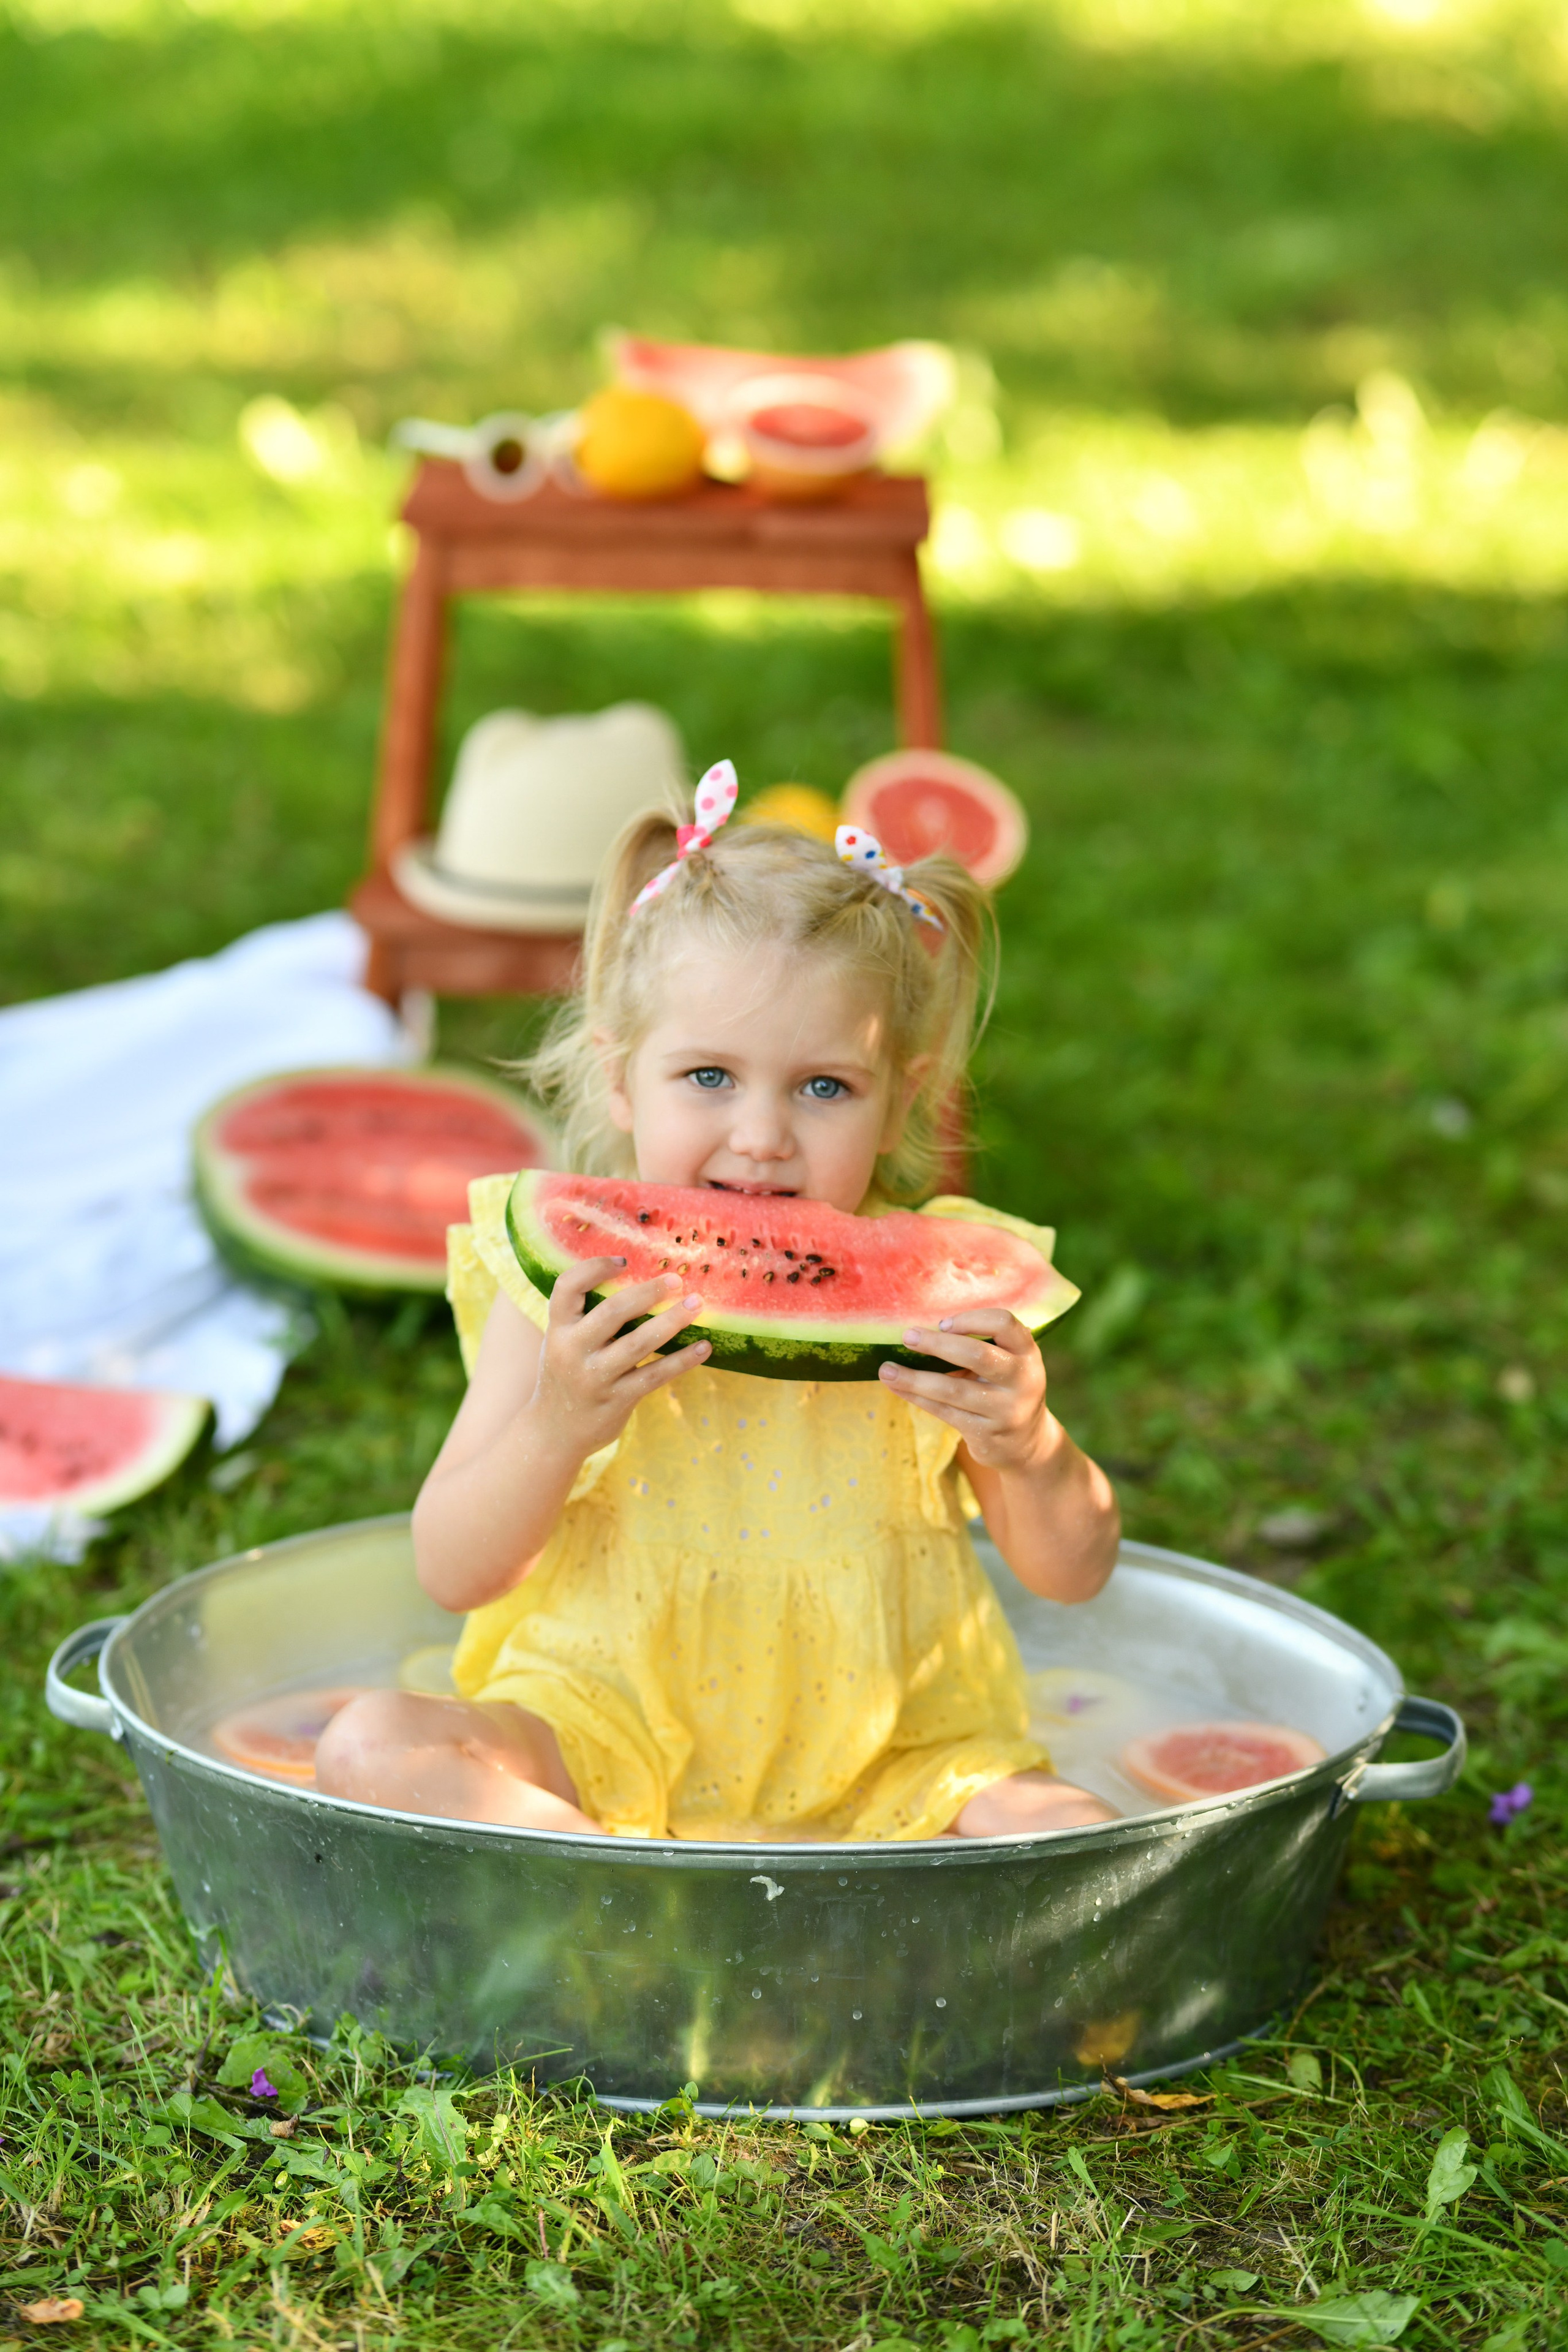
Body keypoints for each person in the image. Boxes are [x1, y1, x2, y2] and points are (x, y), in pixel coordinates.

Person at [315, 761, 1120, 1841]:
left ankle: (620, 1905)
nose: (761, 1136)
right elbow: (453, 1570)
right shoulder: (567, 1297)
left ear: (902, 1101)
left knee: (1083, 1834)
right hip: (597, 1732)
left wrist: (1029, 1445)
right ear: (618, 1073)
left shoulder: (942, 1306)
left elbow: (1073, 1572)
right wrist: (559, 1423)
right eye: (708, 1078)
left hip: (902, 1753)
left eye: (824, 1087)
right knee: (372, 1745)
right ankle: (615, 1882)